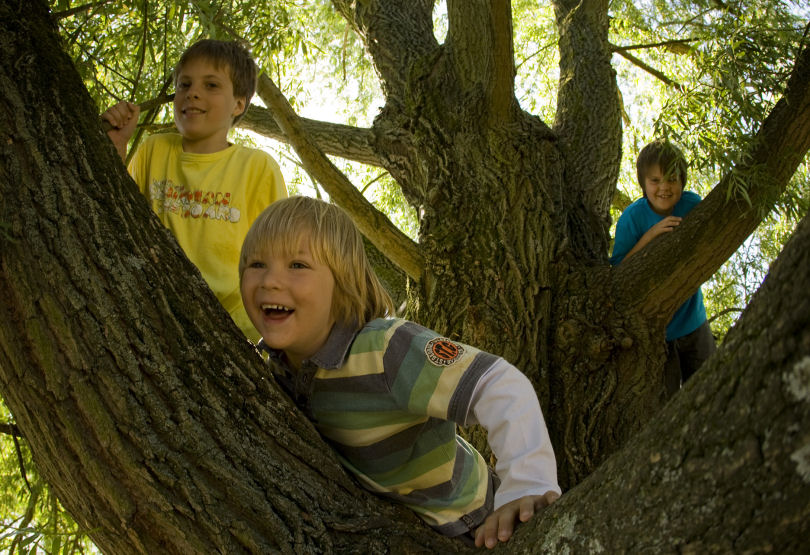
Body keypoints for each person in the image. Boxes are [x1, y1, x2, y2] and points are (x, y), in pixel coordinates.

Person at [238, 196, 560, 549]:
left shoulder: (385, 349)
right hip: (384, 527)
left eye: (297, 265)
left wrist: (527, 485)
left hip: (472, 521)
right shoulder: (271, 366)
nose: (270, 280)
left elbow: (497, 383)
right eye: (256, 264)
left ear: (343, 283)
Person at [102, 39, 287, 341]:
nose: (193, 93)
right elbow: (117, 215)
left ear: (238, 104)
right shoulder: (154, 150)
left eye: (211, 85)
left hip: (227, 328)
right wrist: (117, 147)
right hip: (149, 310)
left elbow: (278, 255)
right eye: (184, 84)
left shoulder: (257, 168)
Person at [610, 139, 716, 394]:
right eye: (655, 180)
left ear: (682, 181)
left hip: (693, 322)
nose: (664, 188)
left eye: (671, 179)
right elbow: (618, 274)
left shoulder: (692, 205)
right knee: (666, 403)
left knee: (711, 391)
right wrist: (650, 236)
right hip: (657, 334)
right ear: (643, 184)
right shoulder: (632, 219)